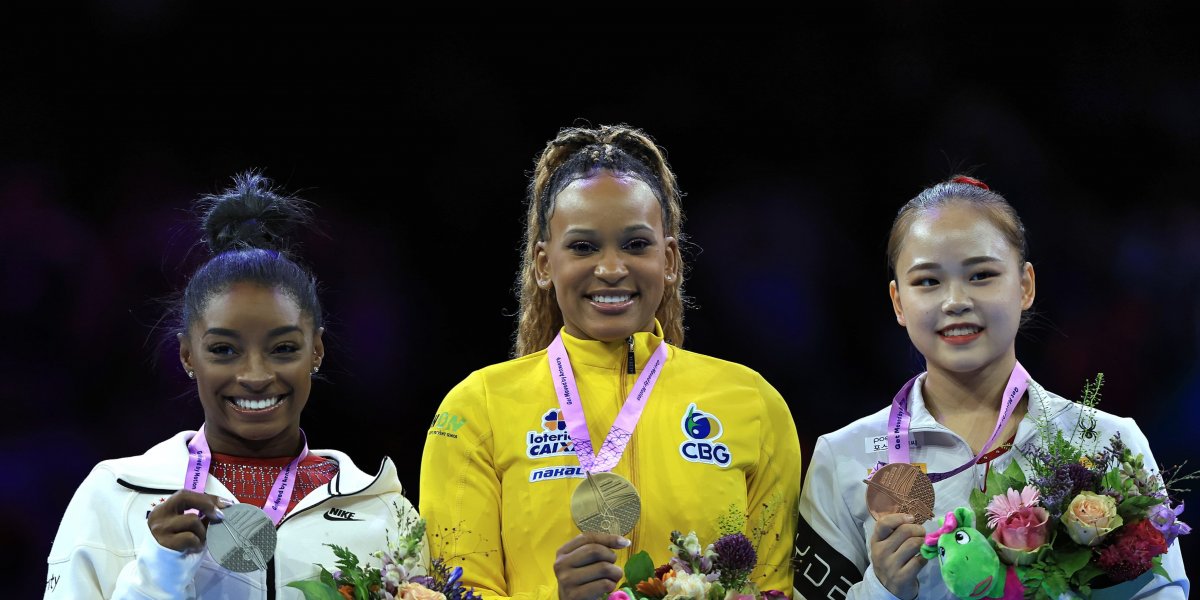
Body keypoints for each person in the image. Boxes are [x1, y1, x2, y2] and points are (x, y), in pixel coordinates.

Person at [420, 125, 800, 600]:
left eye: (636, 244)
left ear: (669, 260)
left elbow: (771, 590)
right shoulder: (477, 409)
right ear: (544, 264)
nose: (611, 268)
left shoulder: (753, 405)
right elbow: (457, 591)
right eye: (583, 246)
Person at [796, 176, 1189, 599]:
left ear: (1025, 286)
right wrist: (883, 588)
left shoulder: (1109, 442)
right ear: (898, 303)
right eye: (927, 281)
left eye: (981, 275)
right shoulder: (842, 457)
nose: (955, 301)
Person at [44, 172, 418, 599]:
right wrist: (156, 572)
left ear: (316, 351)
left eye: (283, 348)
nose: (255, 376)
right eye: (224, 350)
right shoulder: (114, 494)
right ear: (188, 356)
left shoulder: (382, 510)